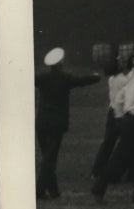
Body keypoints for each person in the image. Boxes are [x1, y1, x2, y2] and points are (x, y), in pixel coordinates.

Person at [92, 53, 134, 204]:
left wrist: (119, 117)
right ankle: (99, 186)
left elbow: (118, 99)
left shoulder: (133, 80)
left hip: (129, 120)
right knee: (121, 158)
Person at [35, 48, 100, 199]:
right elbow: (81, 81)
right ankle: (39, 190)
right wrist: (95, 77)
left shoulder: (42, 78)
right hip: (57, 122)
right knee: (50, 159)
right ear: (61, 64)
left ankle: (53, 191)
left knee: (47, 157)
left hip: (42, 121)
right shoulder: (65, 78)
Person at [91, 56, 127, 181]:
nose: (123, 64)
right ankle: (116, 172)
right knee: (125, 143)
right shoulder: (124, 80)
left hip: (111, 111)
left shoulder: (111, 79)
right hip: (121, 113)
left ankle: (97, 170)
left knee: (107, 143)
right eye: (120, 63)